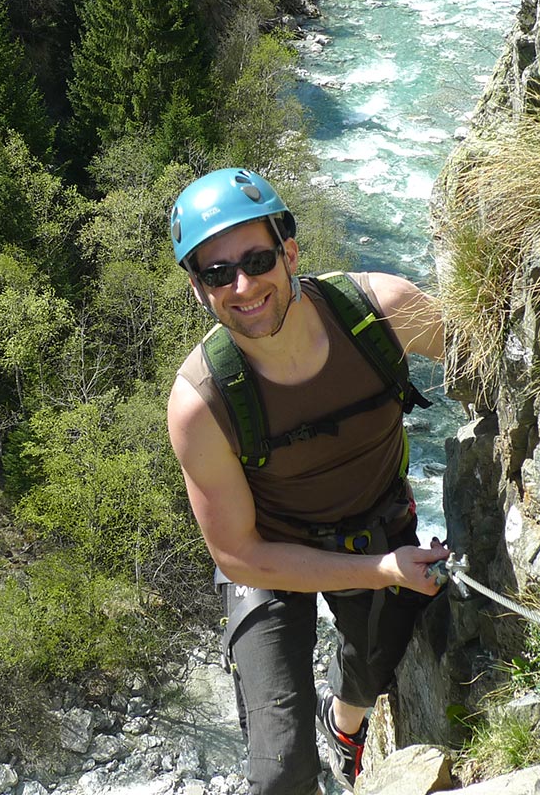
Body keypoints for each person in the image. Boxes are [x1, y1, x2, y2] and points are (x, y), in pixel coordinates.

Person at [165, 168, 450, 794]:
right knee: (278, 773)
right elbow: (240, 555)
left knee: (373, 667)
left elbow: (487, 355)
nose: (242, 286)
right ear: (199, 290)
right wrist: (382, 571)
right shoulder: (201, 404)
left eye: (257, 259)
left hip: (375, 522)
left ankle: (343, 722)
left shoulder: (382, 314)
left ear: (290, 252)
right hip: (271, 557)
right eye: (217, 274)